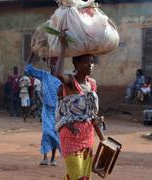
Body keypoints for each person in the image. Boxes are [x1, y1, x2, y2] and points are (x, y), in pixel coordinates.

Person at [55, 30, 105, 179]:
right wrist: (63, 45)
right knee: (77, 176)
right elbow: (58, 74)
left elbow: (92, 115)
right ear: (76, 63)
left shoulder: (92, 84)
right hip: (70, 136)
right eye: (85, 61)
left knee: (82, 176)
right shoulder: (70, 82)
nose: (90, 65)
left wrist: (103, 139)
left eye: (91, 61)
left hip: (88, 136)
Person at [25, 57, 61, 166]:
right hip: (46, 109)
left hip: (57, 110)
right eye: (52, 63)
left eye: (56, 63)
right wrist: (32, 55)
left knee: (55, 133)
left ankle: (53, 159)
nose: (54, 65)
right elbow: (28, 69)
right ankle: (45, 157)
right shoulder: (44, 75)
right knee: (46, 132)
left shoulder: (62, 79)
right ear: (49, 65)